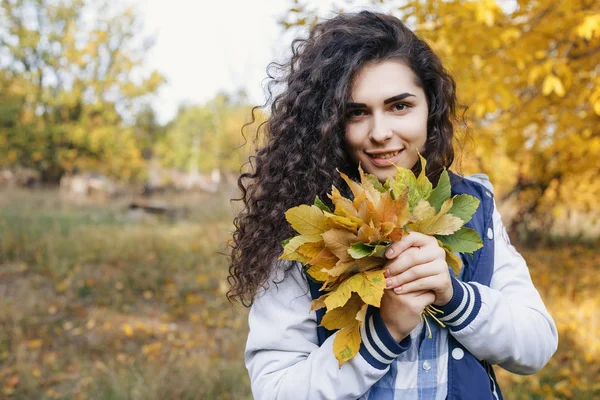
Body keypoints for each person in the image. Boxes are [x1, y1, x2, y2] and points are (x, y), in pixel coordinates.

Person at [227, 10, 558, 400]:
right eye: (356, 113)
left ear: (429, 107)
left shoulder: (472, 203)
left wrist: (455, 296)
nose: (380, 134)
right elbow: (276, 390)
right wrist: (382, 333)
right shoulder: (302, 224)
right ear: (328, 121)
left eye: (400, 106)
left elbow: (536, 346)